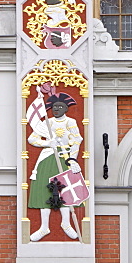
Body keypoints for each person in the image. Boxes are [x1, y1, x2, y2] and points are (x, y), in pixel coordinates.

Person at [28, 91, 82, 240]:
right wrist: (47, 143)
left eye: (59, 106)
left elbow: (77, 140)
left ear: (65, 108)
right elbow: (32, 138)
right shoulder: (48, 122)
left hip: (64, 157)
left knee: (65, 190)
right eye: (54, 107)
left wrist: (72, 159)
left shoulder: (70, 122)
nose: (56, 109)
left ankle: (66, 223)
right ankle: (44, 227)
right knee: (44, 190)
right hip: (48, 158)